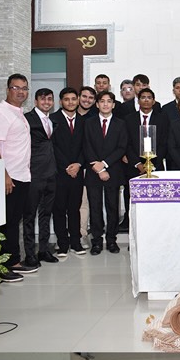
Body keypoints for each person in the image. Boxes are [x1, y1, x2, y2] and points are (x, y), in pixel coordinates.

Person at [0, 73, 38, 282]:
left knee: (14, 221)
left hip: (21, 174)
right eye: (16, 88)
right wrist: (4, 174)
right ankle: (0, 267)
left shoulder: (18, 112)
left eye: (24, 88)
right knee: (3, 223)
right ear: (8, 89)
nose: (21, 92)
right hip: (8, 176)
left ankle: (13, 261)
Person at [83, 90, 127, 255]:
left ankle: (111, 240)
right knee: (95, 208)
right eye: (102, 101)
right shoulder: (89, 123)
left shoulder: (120, 124)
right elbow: (86, 146)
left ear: (113, 105)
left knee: (112, 207)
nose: (106, 104)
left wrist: (105, 164)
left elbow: (121, 147)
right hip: (93, 171)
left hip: (113, 171)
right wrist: (99, 168)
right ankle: (96, 241)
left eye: (109, 101)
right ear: (97, 104)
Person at [22, 88, 58, 267]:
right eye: (43, 99)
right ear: (35, 101)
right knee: (29, 216)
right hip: (33, 174)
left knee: (46, 214)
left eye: (49, 99)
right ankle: (30, 254)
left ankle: (43, 250)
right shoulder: (27, 119)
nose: (46, 102)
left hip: (51, 174)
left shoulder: (52, 121)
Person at [50, 86, 87, 256]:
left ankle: (76, 242)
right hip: (59, 172)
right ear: (60, 102)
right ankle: (62, 244)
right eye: (66, 99)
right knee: (59, 209)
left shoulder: (84, 121)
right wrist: (66, 166)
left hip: (77, 172)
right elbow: (53, 147)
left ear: (78, 100)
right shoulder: (52, 120)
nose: (70, 102)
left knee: (74, 208)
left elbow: (86, 146)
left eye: (73, 99)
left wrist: (78, 164)